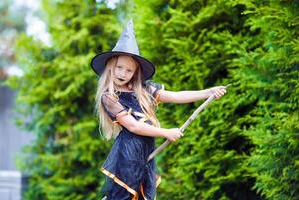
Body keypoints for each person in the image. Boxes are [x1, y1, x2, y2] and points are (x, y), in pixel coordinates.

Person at [91, 20, 226, 200]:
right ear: (111, 67)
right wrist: (165, 133)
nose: (123, 74)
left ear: (135, 73)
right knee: (122, 196)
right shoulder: (109, 97)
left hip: (145, 154)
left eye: (129, 70)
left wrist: (208, 92)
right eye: (119, 68)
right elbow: (134, 126)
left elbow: (177, 96)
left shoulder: (143, 89)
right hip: (127, 155)